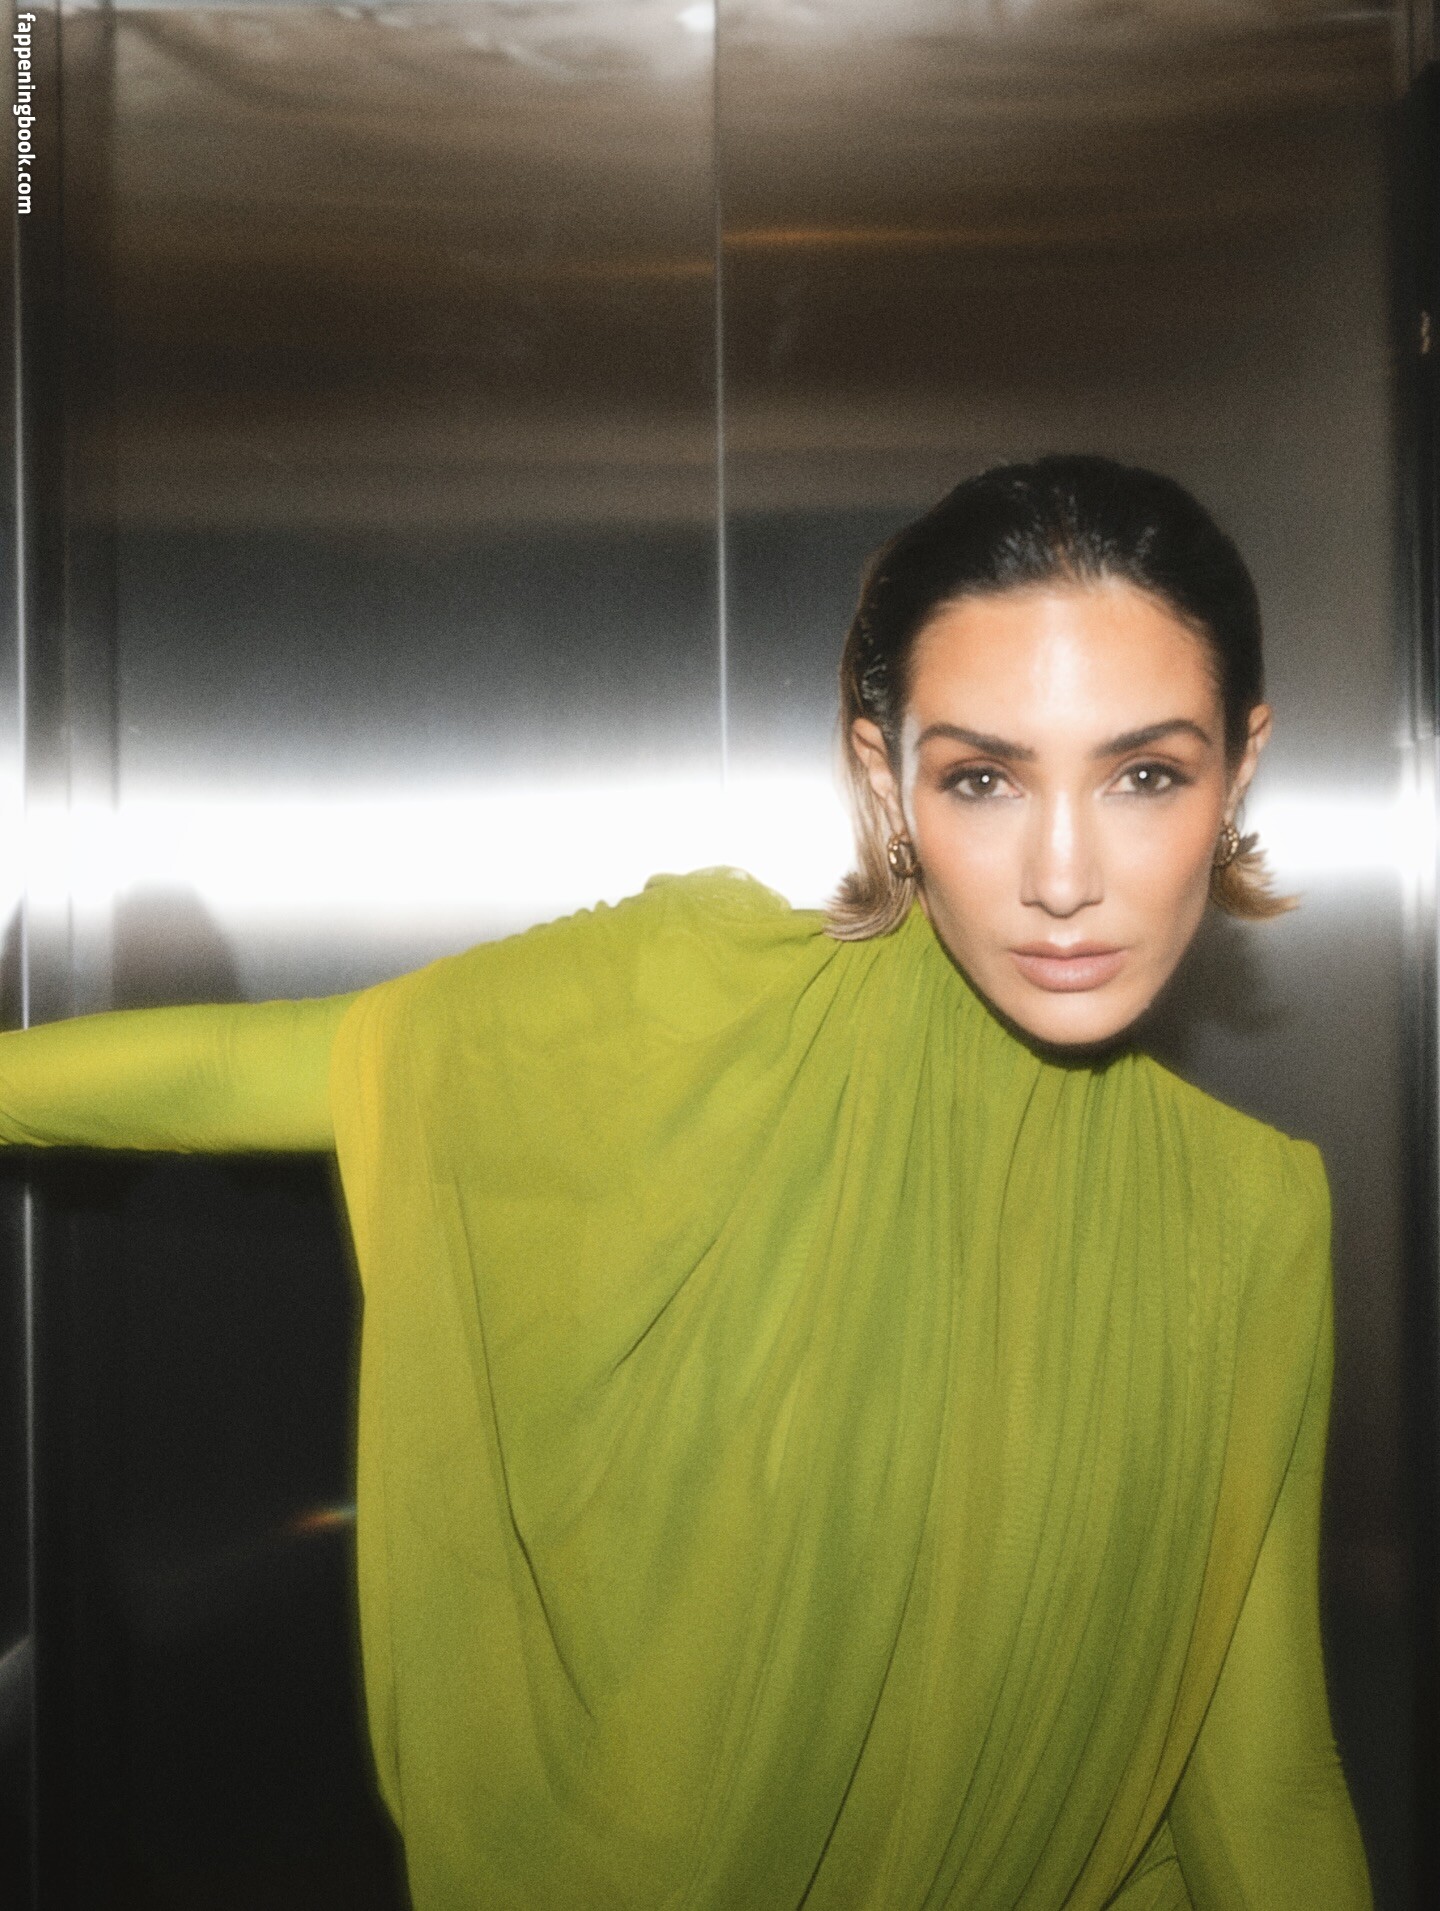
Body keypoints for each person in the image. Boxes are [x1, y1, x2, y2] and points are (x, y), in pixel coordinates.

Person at [0, 456, 1372, 1909]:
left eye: (1145, 774)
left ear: (1239, 770)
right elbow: (254, 1068)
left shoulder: (1254, 1215)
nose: (1063, 876)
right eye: (983, 778)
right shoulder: (694, 1007)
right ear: (885, 780)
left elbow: (1260, 1774)